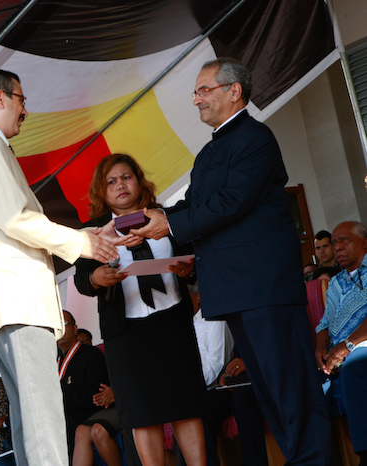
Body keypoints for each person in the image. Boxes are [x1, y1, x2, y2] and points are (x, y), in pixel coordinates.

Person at [132, 57, 330, 464]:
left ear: (233, 91)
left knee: (292, 391)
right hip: (237, 291)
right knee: (271, 397)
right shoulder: (209, 153)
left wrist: (169, 225)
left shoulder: (255, 139)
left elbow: (230, 202)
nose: (196, 100)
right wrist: (161, 217)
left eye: (204, 90)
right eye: (196, 92)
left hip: (265, 288)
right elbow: (195, 205)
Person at [0, 67, 125, 465]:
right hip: (17, 300)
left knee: (31, 419)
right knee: (43, 418)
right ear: (0, 98)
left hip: (7, 301)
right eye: (22, 100)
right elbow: (16, 219)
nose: (26, 110)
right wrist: (83, 242)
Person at [74, 153, 207, 466]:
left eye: (126, 177)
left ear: (139, 181)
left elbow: (194, 259)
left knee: (185, 407)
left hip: (173, 326)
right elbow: (82, 279)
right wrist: (97, 276)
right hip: (127, 337)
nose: (120, 185)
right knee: (143, 414)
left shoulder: (164, 217)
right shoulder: (94, 231)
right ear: (101, 191)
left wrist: (189, 272)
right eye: (111, 181)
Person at [315, 221, 367, 464]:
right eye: (334, 242)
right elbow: (324, 324)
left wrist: (346, 347)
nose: (337, 247)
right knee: (310, 385)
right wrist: (321, 349)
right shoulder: (335, 283)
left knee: (352, 371)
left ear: (364, 242)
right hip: (338, 353)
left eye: (344, 240)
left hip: (361, 346)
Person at [57, 310, 109, 459]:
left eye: (64, 324)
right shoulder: (54, 359)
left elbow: (95, 394)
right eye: (56, 325)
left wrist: (60, 401)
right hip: (63, 417)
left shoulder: (91, 354)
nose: (59, 328)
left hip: (85, 415)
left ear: (75, 329)